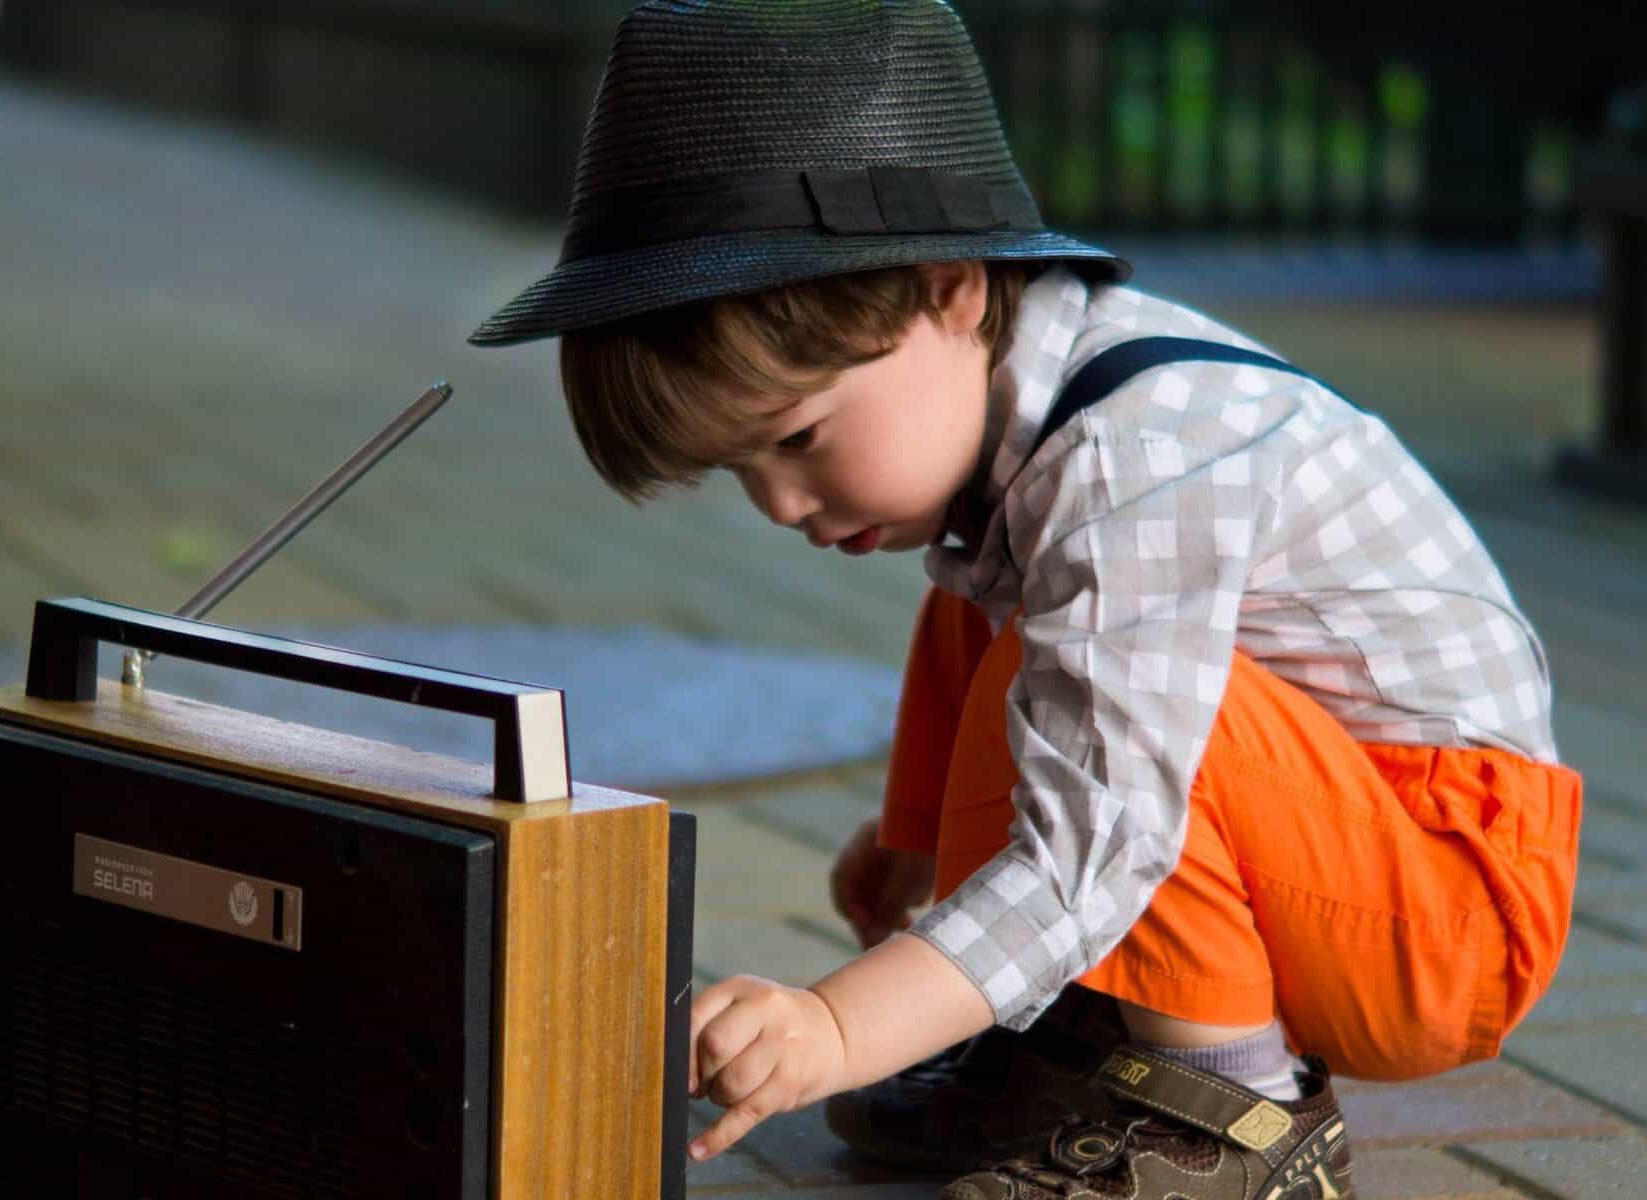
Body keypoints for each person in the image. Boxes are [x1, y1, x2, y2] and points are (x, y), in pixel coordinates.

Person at [471, 3, 1583, 1197]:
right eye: (738, 471)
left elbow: (1102, 834)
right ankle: (1084, 1048)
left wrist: (839, 1029)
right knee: (986, 609)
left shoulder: (1130, 463)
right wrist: (918, 860)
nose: (780, 506)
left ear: (948, 291)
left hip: (1445, 911)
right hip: (1334, 848)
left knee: (1123, 691)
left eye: (796, 437)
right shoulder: (1034, 436)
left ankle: (1238, 1118)